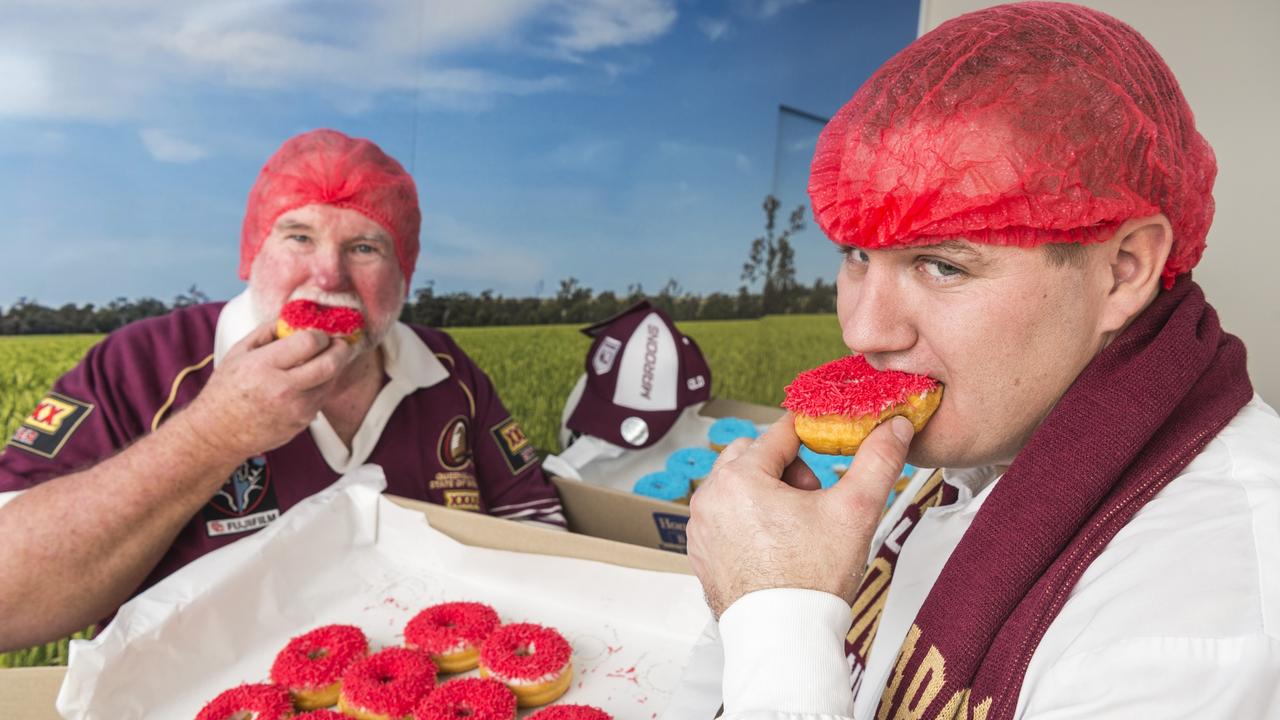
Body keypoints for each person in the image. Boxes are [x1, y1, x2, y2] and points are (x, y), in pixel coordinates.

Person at [687, 4, 1280, 718]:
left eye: (941, 266)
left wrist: (777, 614)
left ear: (1123, 269)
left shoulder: (1200, 631)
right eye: (855, 256)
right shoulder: (996, 426)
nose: (864, 332)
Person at [0, 129, 564, 652]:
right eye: (299, 236)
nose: (328, 277)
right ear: (253, 254)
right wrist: (213, 433)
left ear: (403, 275)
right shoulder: (142, 364)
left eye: (365, 248)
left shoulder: (447, 372)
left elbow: (536, 526)